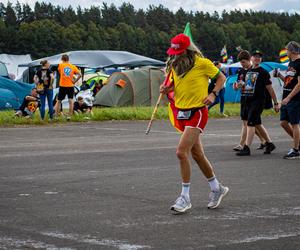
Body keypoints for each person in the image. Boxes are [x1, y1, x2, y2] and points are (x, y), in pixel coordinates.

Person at [160, 33, 229, 213]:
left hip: (197, 112)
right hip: (182, 113)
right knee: (197, 155)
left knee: (181, 153)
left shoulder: (202, 63)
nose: (176, 55)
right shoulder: (175, 65)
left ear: (187, 49)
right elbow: (178, 84)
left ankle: (185, 197)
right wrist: (168, 88)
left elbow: (221, 78)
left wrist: (213, 93)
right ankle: (217, 188)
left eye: (179, 52)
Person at [234, 50, 279, 156]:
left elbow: (270, 89)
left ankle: (246, 147)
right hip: (247, 100)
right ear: (251, 58)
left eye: (259, 57)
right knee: (257, 124)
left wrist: (276, 103)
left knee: (250, 122)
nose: (257, 58)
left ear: (261, 59)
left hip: (258, 101)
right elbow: (244, 85)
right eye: (255, 57)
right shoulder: (247, 72)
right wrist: (239, 85)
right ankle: (269, 143)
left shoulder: (263, 72)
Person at [274, 41, 300, 159]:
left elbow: (299, 84)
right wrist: (279, 75)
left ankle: (296, 149)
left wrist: (289, 98)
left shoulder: (299, 63)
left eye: (287, 50)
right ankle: (298, 143)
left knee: (295, 123)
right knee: (283, 122)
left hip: (294, 98)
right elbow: (288, 81)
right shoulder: (291, 63)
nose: (286, 52)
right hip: (286, 98)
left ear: (293, 51)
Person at [55, 54, 81, 120]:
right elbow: (80, 75)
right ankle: (69, 116)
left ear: (62, 59)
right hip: (70, 85)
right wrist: (74, 82)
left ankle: (56, 116)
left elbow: (59, 71)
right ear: (68, 59)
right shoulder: (73, 66)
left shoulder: (60, 65)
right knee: (71, 101)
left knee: (59, 101)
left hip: (62, 85)